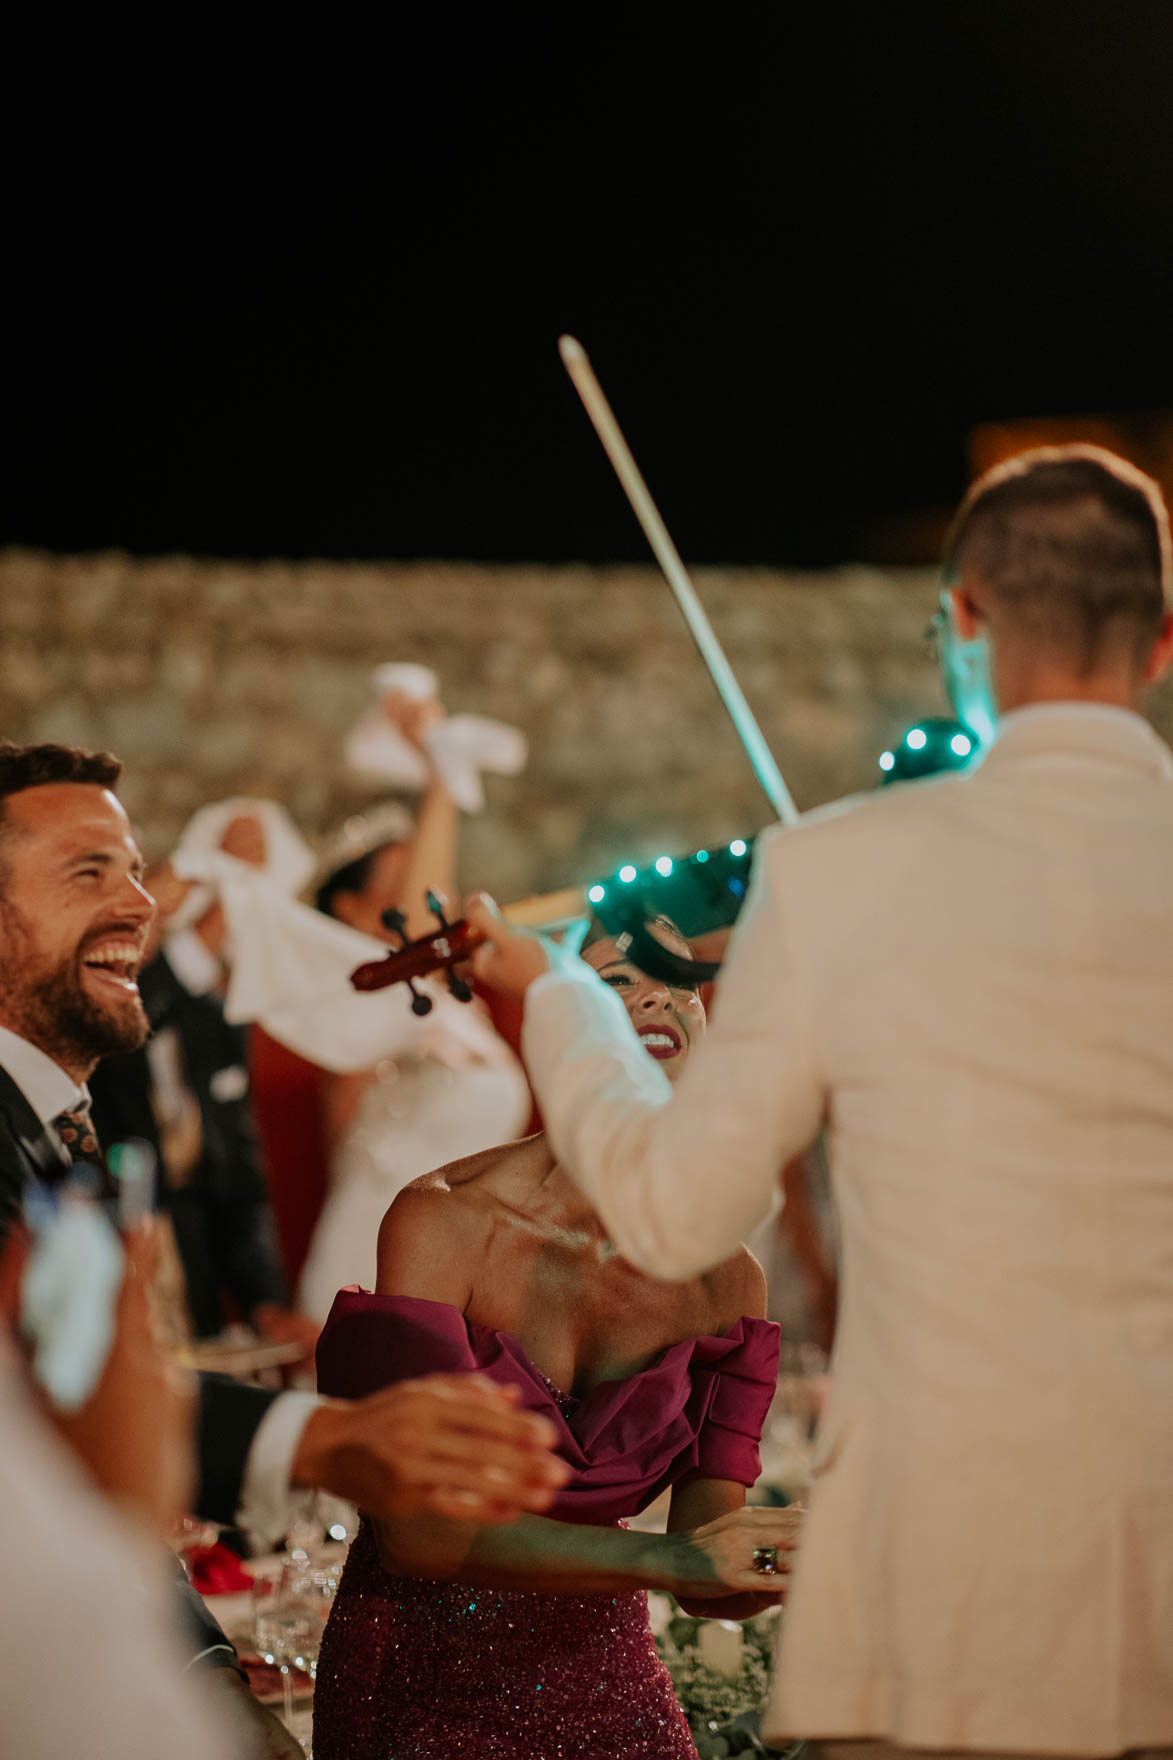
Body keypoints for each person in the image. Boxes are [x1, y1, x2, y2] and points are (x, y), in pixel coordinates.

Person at [467, 446, 1173, 1760]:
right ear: (1166, 636)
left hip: (946, 1574)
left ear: (962, 619)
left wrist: (558, 998)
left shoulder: (839, 868)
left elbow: (676, 1215)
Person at [0, 740, 567, 1534]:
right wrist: (328, 1433)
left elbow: (78, 1393)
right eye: (88, 872)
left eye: (135, 869)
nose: (143, 902)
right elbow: (32, 1411)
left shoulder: (51, 1117)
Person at [310, 914, 799, 1760]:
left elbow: (708, 1571)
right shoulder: (445, 1220)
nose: (657, 994)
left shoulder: (729, 1281)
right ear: (555, 1026)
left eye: (680, 981)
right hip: (420, 1682)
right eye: (614, 981)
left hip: (607, 1670)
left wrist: (787, 1563)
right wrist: (679, 1560)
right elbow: (421, 1537)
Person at [296, 733, 530, 1319]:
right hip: (373, 1274)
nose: (428, 901)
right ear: (350, 909)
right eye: (399, 891)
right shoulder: (370, 995)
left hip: (452, 1277)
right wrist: (442, 777)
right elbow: (425, 930)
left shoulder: (455, 1009)